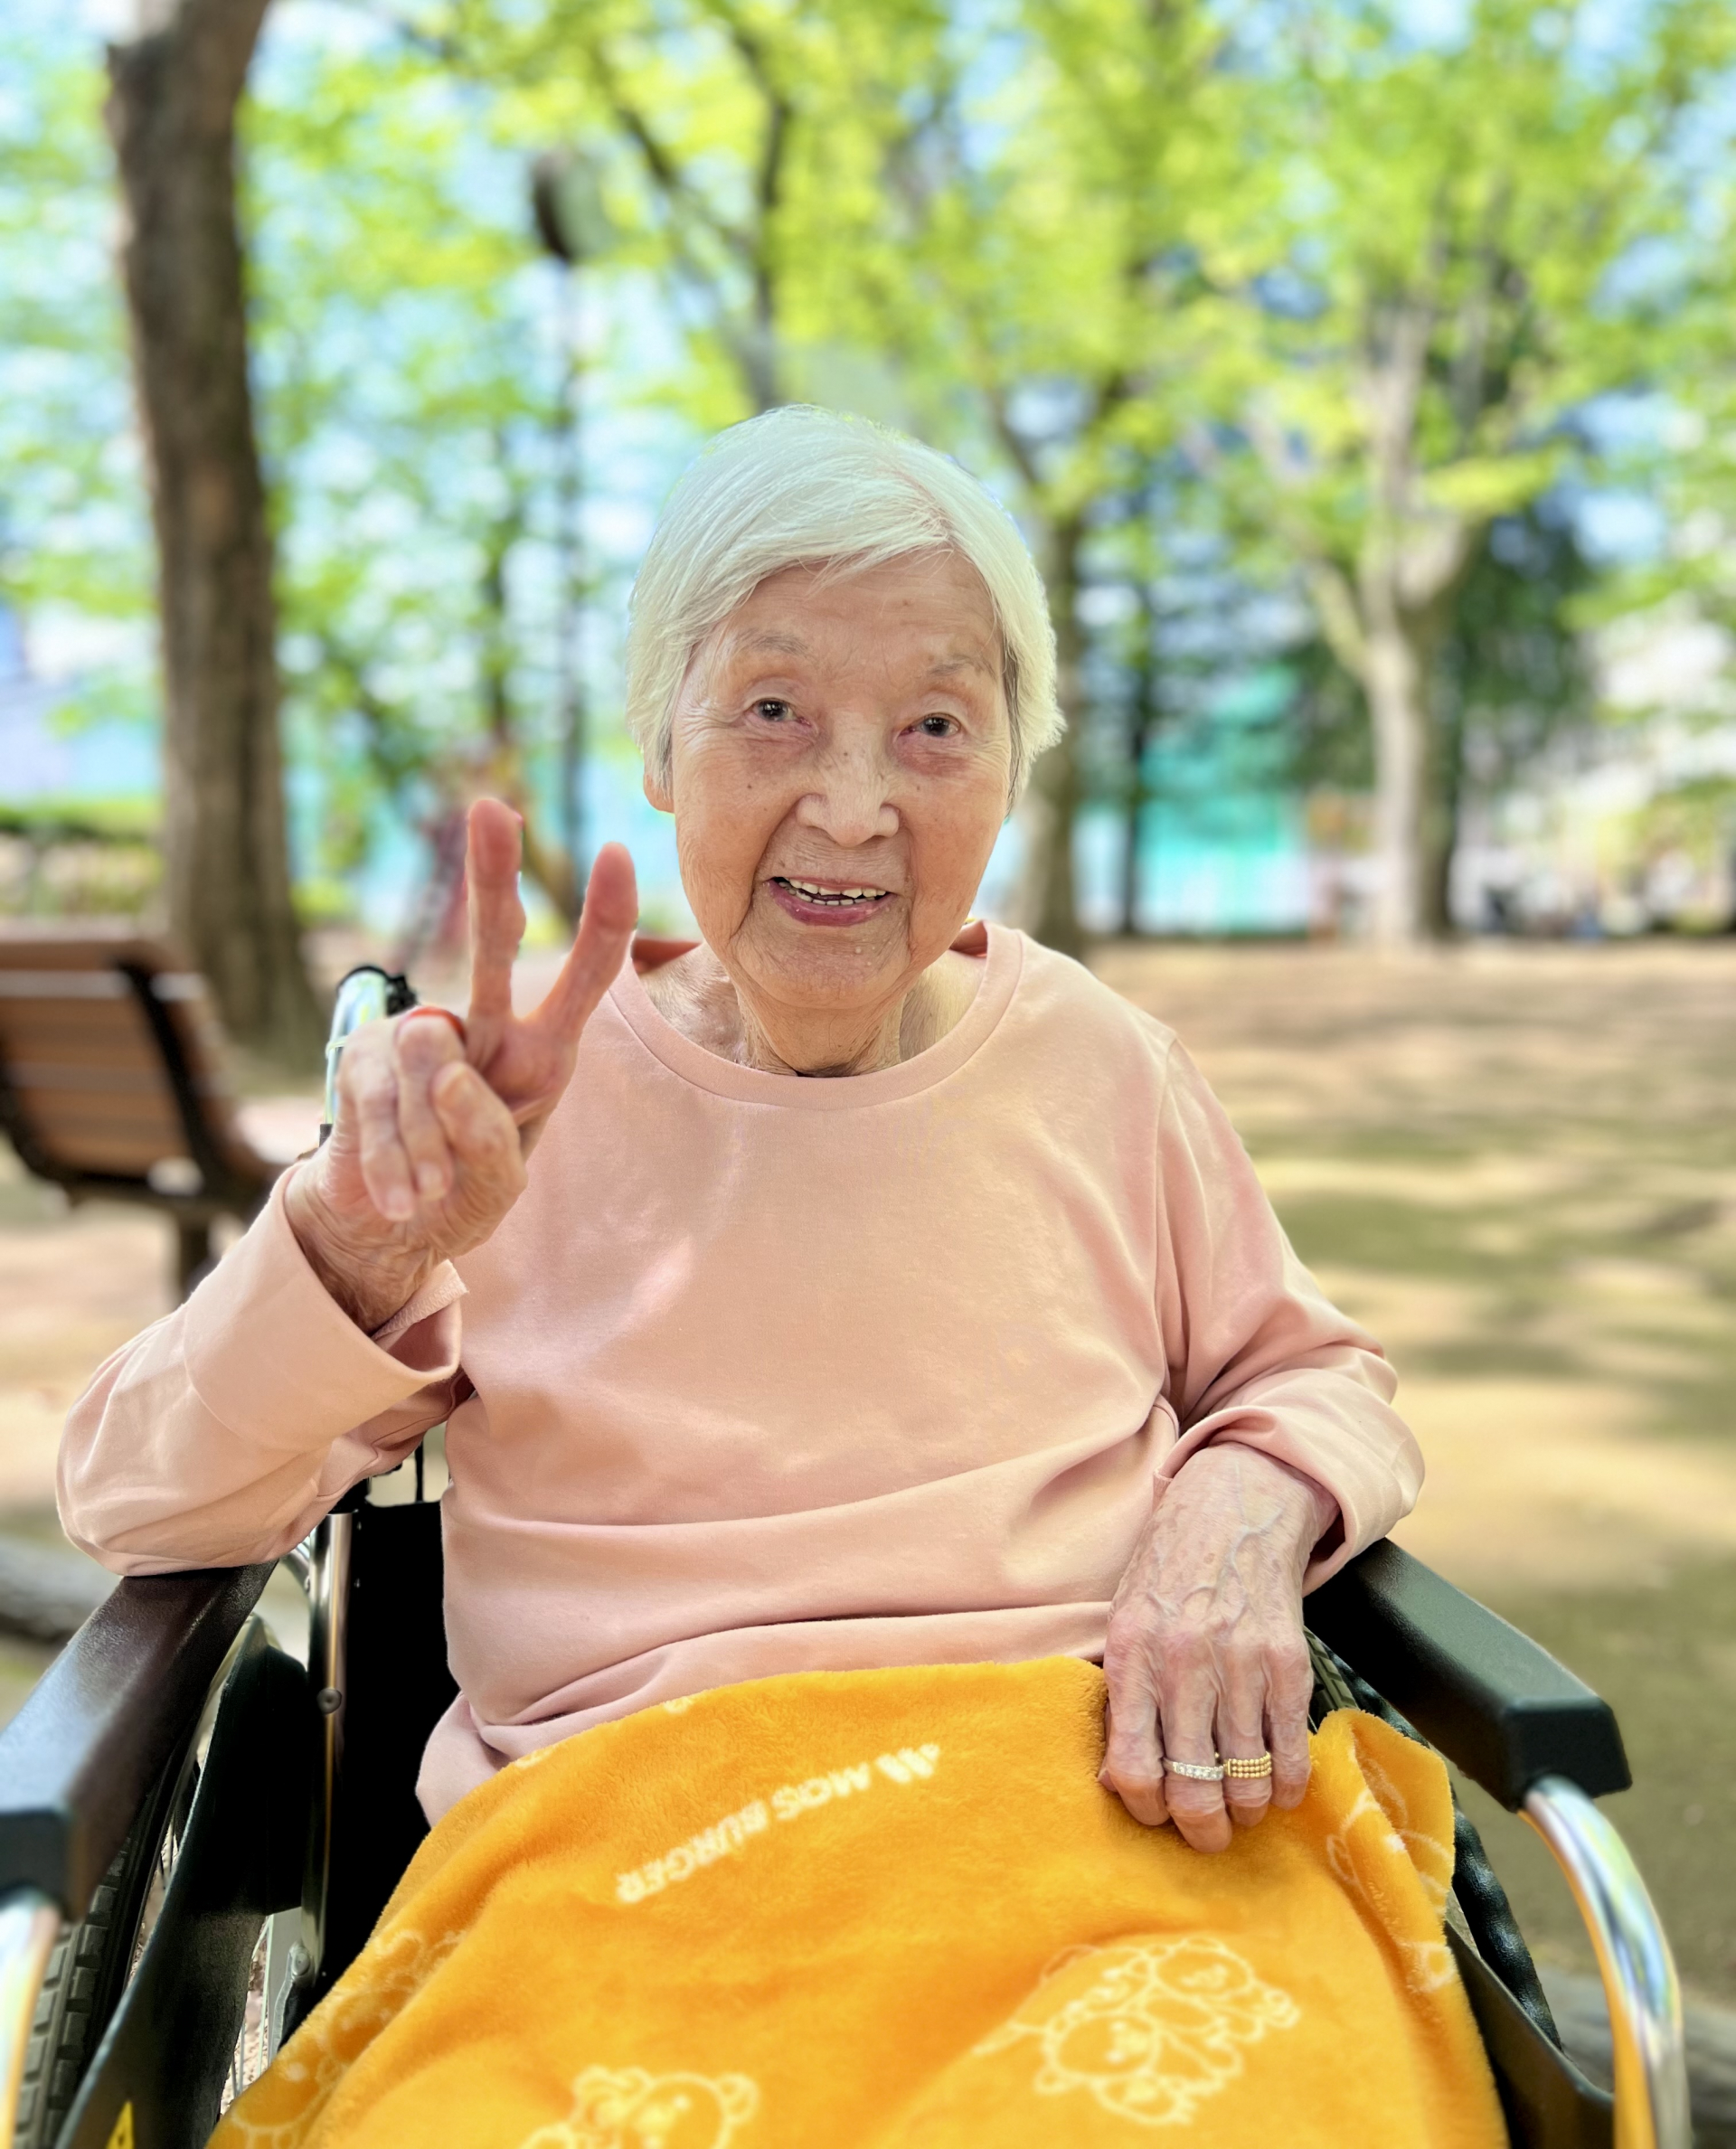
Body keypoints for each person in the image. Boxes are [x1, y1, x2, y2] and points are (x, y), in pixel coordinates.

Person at [59, 406, 1421, 1859]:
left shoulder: (1101, 1063)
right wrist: (361, 1247)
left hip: (1076, 1831)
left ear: (1012, 769)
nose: (853, 808)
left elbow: (1316, 1376)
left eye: (935, 728)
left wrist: (1244, 1496)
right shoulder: (495, 1115)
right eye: (774, 710)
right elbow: (142, 1504)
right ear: (659, 745)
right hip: (631, 1857)